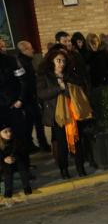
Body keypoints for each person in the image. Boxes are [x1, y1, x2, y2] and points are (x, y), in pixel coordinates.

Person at [37, 48, 92, 178]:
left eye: (64, 61)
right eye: (58, 60)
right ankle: (64, 170)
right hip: (57, 115)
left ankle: (80, 168)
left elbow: (80, 88)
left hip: (73, 113)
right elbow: (42, 94)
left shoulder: (70, 75)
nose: (61, 63)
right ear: (52, 61)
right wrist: (59, 88)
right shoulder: (44, 76)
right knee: (62, 144)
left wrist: (67, 87)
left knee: (77, 141)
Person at [0, 38, 30, 173]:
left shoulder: (11, 60)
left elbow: (23, 81)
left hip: (13, 106)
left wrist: (20, 100)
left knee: (19, 138)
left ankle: (24, 169)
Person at [17, 40, 51, 152]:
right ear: (24, 50)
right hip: (28, 99)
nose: (33, 50)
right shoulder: (21, 62)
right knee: (33, 122)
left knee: (34, 121)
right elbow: (24, 82)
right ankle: (37, 144)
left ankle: (37, 144)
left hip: (31, 97)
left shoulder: (27, 61)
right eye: (30, 48)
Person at [1, 117, 32, 198]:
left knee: (22, 167)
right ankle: (8, 190)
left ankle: (26, 187)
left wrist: (14, 157)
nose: (9, 133)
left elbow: (21, 151)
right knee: (7, 171)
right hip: (4, 163)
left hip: (16, 160)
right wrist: (4, 159)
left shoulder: (16, 139)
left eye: (10, 131)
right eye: (5, 132)